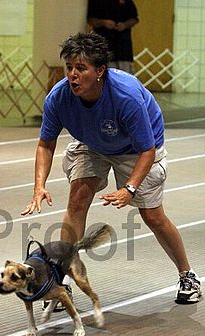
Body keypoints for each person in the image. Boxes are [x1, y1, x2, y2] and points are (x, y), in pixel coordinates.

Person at [22, 32, 202, 310]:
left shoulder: (126, 96)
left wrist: (129, 188)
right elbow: (46, 144)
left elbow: (147, 150)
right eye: (69, 67)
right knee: (77, 198)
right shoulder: (58, 97)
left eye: (81, 68)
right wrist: (39, 185)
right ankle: (62, 282)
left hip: (136, 147)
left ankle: (187, 275)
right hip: (91, 141)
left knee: (152, 215)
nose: (72, 75)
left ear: (100, 71)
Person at [87, 0, 138, 74]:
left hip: (123, 46)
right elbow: (90, 19)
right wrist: (103, 22)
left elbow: (134, 18)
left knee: (125, 76)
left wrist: (124, 25)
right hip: (102, 44)